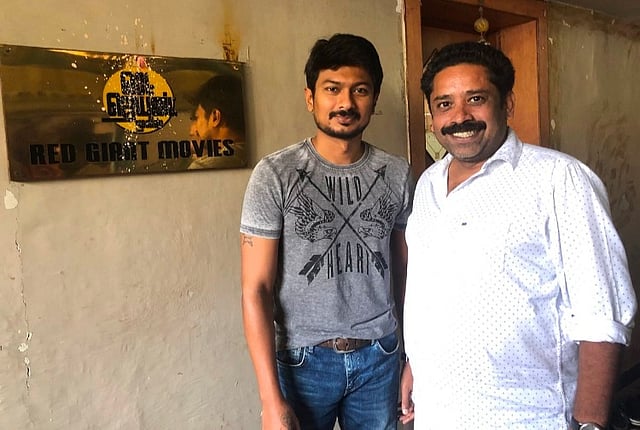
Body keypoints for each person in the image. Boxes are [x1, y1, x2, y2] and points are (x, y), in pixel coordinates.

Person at [399, 40, 637, 430]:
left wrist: (591, 423)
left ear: (507, 103)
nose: (460, 116)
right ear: (432, 115)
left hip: (528, 417)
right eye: (444, 104)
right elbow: (431, 291)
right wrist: (416, 364)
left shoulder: (559, 180)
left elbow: (601, 316)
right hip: (439, 412)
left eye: (476, 99)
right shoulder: (428, 184)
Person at [240, 33, 413, 430]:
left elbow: (405, 275)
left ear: (374, 99)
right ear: (310, 98)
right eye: (332, 89)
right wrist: (270, 399)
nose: (345, 103)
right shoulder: (275, 174)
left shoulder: (397, 174)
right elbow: (256, 289)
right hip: (303, 361)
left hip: (380, 357)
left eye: (360, 90)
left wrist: (411, 357)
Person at [187, 73, 247, 169]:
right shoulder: (254, 155)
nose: (194, 129)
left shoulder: (202, 167)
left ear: (215, 117)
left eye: (197, 117)